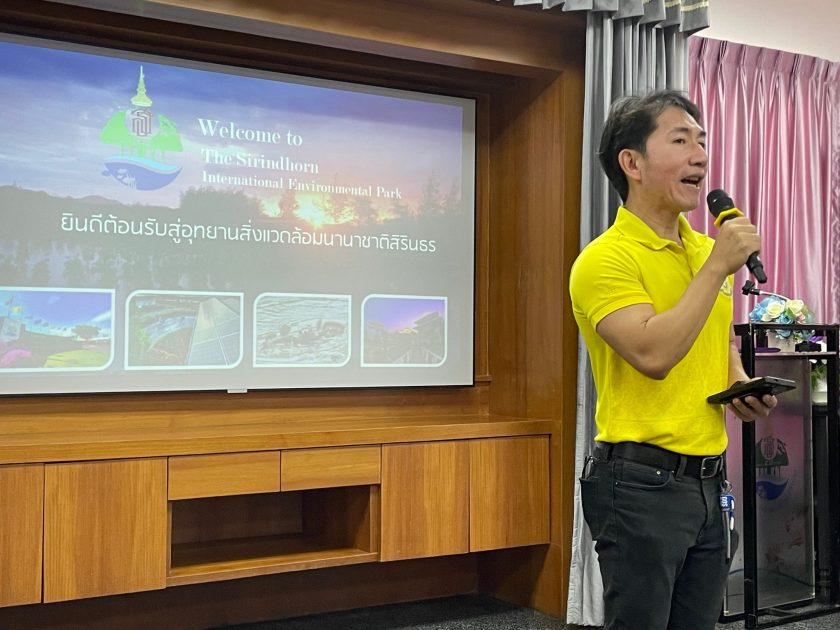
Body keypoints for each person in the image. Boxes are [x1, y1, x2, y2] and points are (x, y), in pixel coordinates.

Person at [569, 90, 778, 630]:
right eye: (681, 140)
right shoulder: (603, 260)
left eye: (702, 142)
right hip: (639, 486)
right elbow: (653, 353)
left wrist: (739, 383)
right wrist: (717, 269)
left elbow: (718, 343)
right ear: (632, 162)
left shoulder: (708, 253)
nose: (701, 157)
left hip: (710, 481)